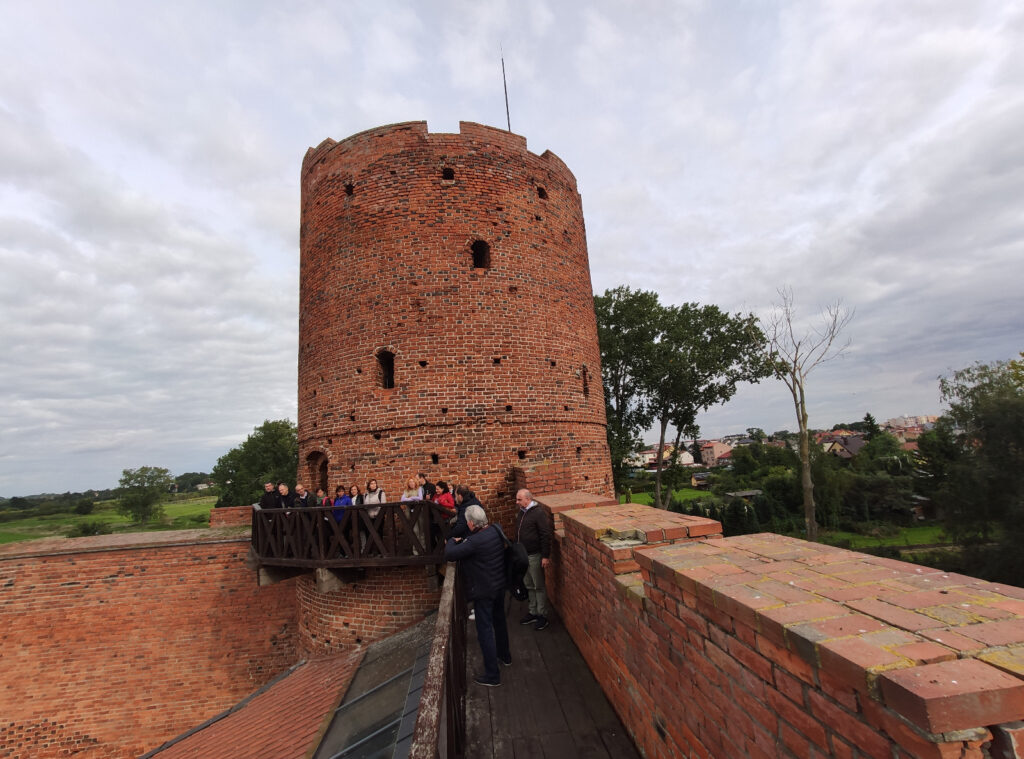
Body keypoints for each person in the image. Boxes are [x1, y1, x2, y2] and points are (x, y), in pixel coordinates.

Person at [444, 503, 511, 687]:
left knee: (485, 631)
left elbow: (450, 554)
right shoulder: (496, 530)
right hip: (499, 585)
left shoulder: (475, 542)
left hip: (484, 590)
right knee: (500, 621)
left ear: (472, 524)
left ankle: (492, 675)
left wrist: (451, 540)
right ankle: (505, 656)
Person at [515, 488, 552, 631]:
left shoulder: (538, 513)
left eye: (519, 499)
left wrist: (545, 556)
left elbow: (545, 535)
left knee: (539, 586)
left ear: (527, 499)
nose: (517, 502)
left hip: (534, 555)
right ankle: (533, 611)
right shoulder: (522, 512)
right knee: (529, 585)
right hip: (524, 556)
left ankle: (542, 615)